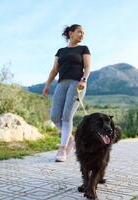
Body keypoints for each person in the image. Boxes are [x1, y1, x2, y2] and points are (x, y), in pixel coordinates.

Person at [42, 24, 91, 162]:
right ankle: (70, 138)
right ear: (71, 33)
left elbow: (87, 67)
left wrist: (84, 80)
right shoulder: (61, 51)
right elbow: (54, 70)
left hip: (77, 83)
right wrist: (47, 85)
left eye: (83, 33)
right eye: (79, 32)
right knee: (54, 116)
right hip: (61, 84)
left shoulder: (83, 49)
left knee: (66, 116)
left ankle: (62, 149)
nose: (82, 35)